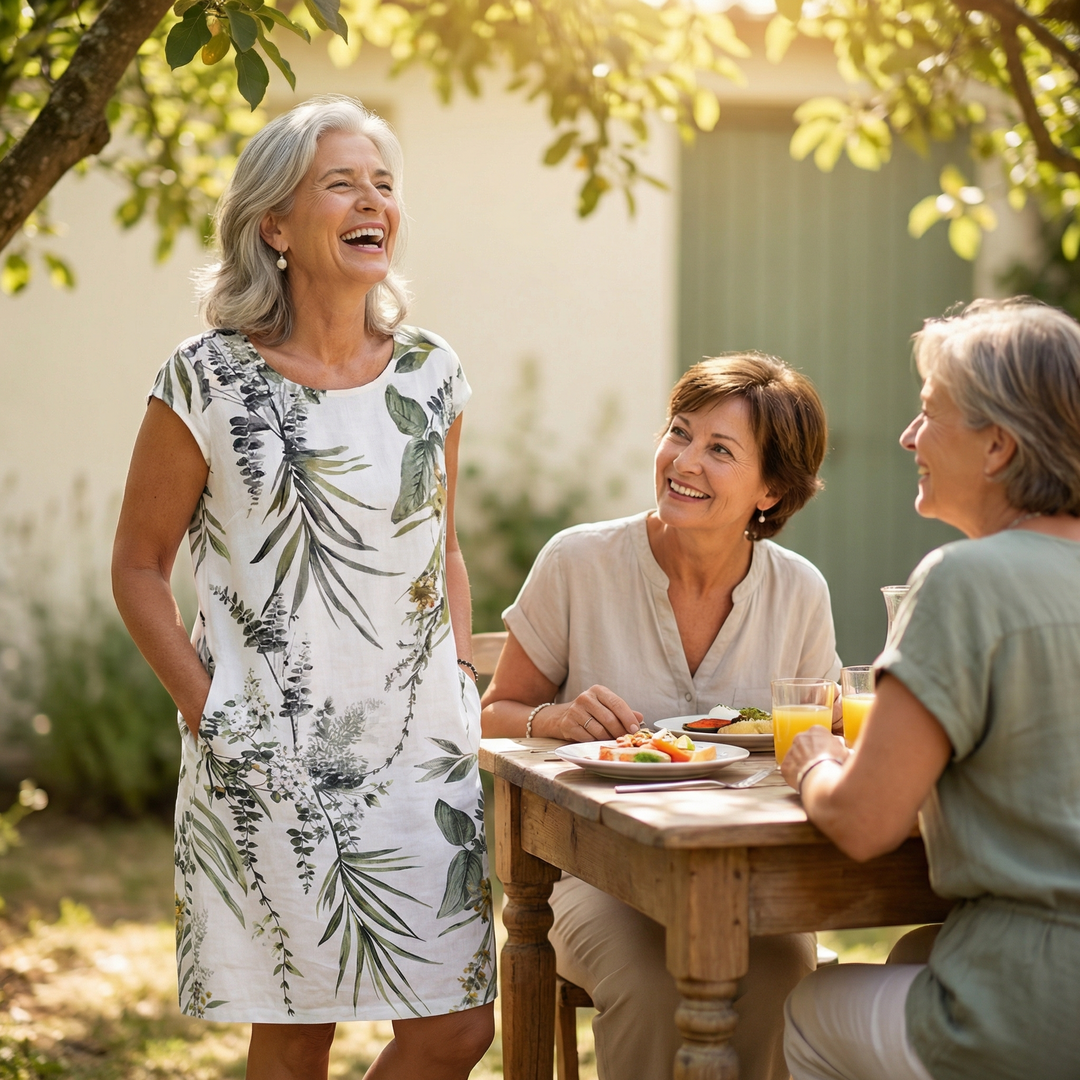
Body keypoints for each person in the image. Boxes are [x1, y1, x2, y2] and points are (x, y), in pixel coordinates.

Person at [111, 95, 494, 1080]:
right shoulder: (205, 380)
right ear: (273, 225)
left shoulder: (430, 376)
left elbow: (438, 552)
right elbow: (139, 566)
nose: (373, 201)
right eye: (342, 183)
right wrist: (211, 712)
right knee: (294, 1034)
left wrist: (455, 684)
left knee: (458, 1026)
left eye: (383, 183)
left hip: (422, 756)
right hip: (266, 755)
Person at [482, 353, 842, 1080]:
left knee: (774, 982)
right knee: (651, 988)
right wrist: (551, 718)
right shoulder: (579, 562)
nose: (684, 461)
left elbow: (821, 734)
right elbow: (492, 713)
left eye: (719, 449)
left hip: (747, 876)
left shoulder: (799, 591)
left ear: (771, 488)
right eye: (679, 432)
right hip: (595, 871)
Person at [780, 298, 1080, 1080]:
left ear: (997, 448)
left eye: (928, 416)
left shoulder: (964, 580)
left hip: (1036, 1005)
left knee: (809, 1013)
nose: (909, 437)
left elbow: (864, 821)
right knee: (917, 950)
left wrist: (811, 758)